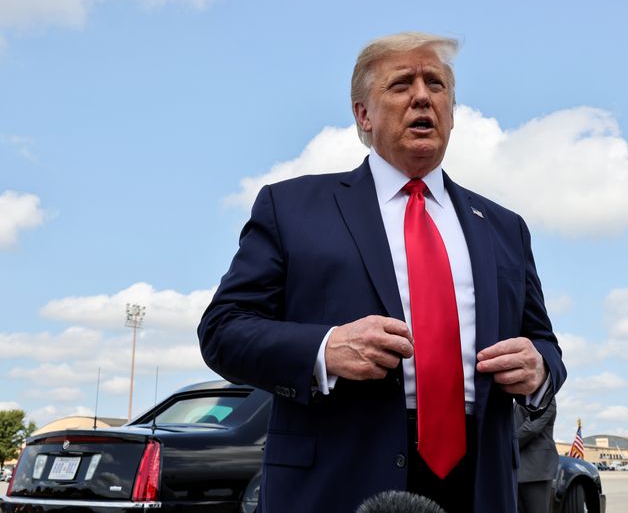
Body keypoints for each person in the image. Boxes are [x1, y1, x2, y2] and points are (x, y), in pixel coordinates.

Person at [198, 31, 566, 513]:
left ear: (451, 114)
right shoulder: (291, 208)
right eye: (400, 84)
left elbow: (545, 345)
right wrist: (325, 349)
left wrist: (538, 369)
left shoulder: (504, 228)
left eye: (436, 84)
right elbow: (223, 330)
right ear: (363, 115)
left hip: (480, 484)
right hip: (337, 483)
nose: (422, 95)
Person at [514, 399, 558, 513]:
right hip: (516, 471)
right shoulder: (518, 400)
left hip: (536, 472)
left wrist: (505, 447)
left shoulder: (546, 398)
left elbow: (531, 428)